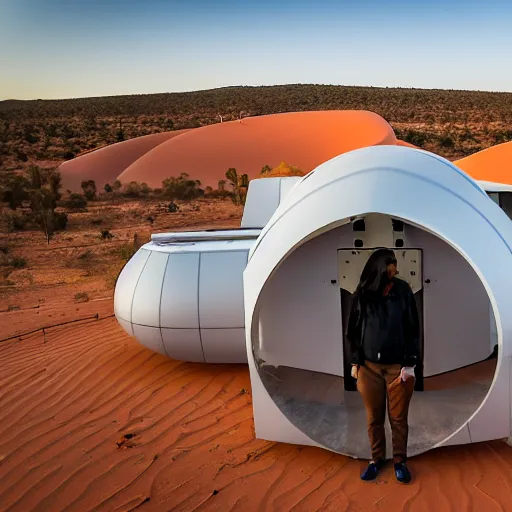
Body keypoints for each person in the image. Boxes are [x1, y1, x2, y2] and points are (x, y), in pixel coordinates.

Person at [346, 248, 420, 484]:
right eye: (391, 266)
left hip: (398, 368)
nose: (395, 270)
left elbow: (412, 329)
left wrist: (409, 364)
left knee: (398, 418)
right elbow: (353, 332)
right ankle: (376, 459)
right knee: (374, 418)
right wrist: (356, 362)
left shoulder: (403, 291)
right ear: (379, 267)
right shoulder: (362, 294)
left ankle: (399, 461)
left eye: (395, 266)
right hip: (369, 368)